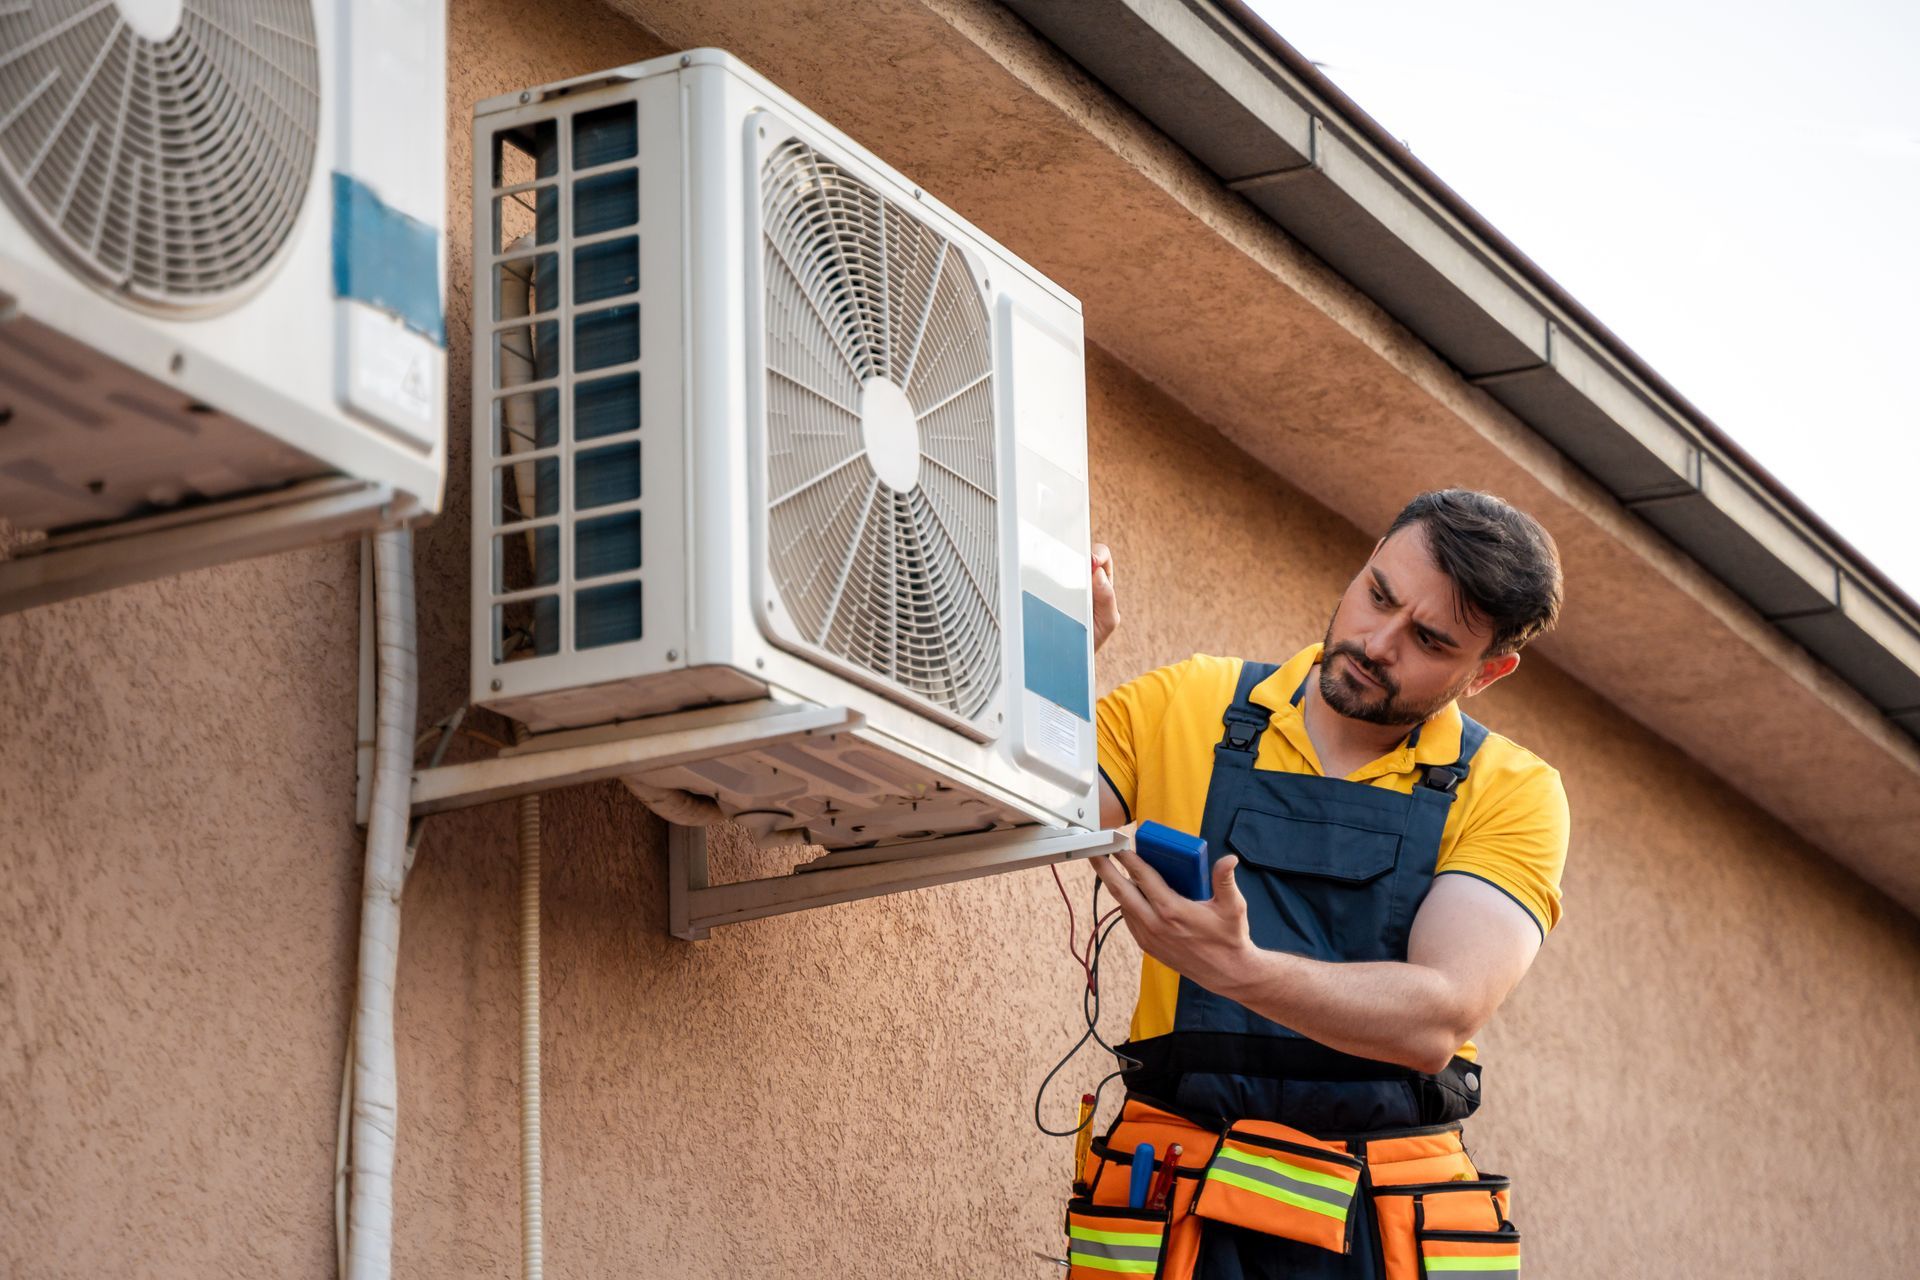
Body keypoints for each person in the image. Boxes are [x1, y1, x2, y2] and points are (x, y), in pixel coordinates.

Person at [1067, 488, 1567, 1280]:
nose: (1377, 641)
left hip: (1379, 1232)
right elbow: (1005, 809)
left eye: (1430, 639)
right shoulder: (1186, 703)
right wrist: (1055, 660)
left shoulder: (1510, 790)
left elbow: (1437, 1016)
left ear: (1489, 671)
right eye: (1378, 594)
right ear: (1368, 559)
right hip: (1174, 1201)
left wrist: (1241, 971)